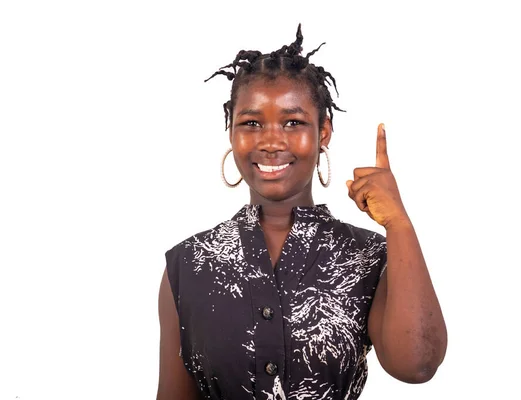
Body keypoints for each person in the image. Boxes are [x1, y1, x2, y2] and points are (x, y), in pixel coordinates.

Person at [157, 24, 447, 400]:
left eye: (293, 122)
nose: (272, 140)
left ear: (323, 131)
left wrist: (399, 224)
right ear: (231, 131)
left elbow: (416, 365)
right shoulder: (188, 265)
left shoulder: (369, 256)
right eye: (251, 123)